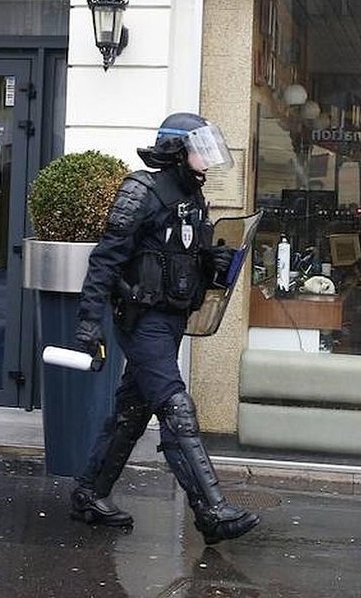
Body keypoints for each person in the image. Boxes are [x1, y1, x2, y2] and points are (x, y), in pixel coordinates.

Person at [68, 112, 260, 546]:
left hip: (171, 320)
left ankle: (89, 494)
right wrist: (88, 322)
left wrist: (212, 263)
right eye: (200, 150)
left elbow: (185, 253)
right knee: (177, 408)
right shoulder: (142, 191)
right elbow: (105, 259)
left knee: (132, 412)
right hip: (141, 321)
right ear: (177, 151)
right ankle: (211, 511)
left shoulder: (193, 196)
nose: (208, 161)